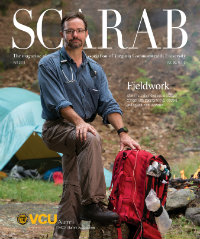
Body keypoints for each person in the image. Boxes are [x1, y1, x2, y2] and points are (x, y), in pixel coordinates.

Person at [38, 12, 141, 239]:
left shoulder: (95, 69)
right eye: (69, 31)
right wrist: (80, 122)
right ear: (62, 34)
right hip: (57, 128)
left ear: (86, 34)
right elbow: (58, 102)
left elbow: (108, 103)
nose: (74, 35)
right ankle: (94, 203)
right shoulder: (49, 64)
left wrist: (122, 133)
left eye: (79, 30)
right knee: (91, 138)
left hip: (79, 130)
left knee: (72, 187)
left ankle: (64, 235)